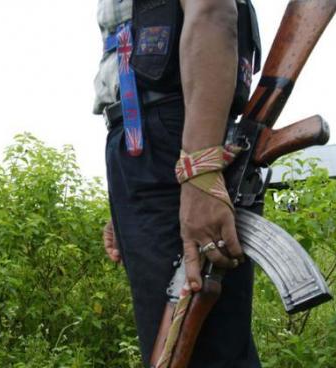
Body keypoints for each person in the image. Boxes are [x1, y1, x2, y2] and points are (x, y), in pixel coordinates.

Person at [95, 0, 261, 366]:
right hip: (153, 142)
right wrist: (125, 209)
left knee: (196, 351)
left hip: (176, 134)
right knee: (190, 345)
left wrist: (198, 168)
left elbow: (212, 9)